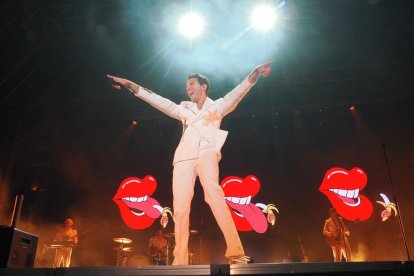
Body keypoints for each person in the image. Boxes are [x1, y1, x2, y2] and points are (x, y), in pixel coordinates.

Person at [107, 60, 273, 265]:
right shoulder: (184, 109)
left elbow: (237, 93)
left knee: (214, 195)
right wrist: (132, 86)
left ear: (203, 87)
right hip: (184, 157)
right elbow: (159, 101)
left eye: (192, 84)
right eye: (187, 86)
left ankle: (236, 252)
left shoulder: (218, 106)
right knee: (180, 207)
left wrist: (254, 73)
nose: (188, 88)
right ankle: (180, 261)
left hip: (206, 152)